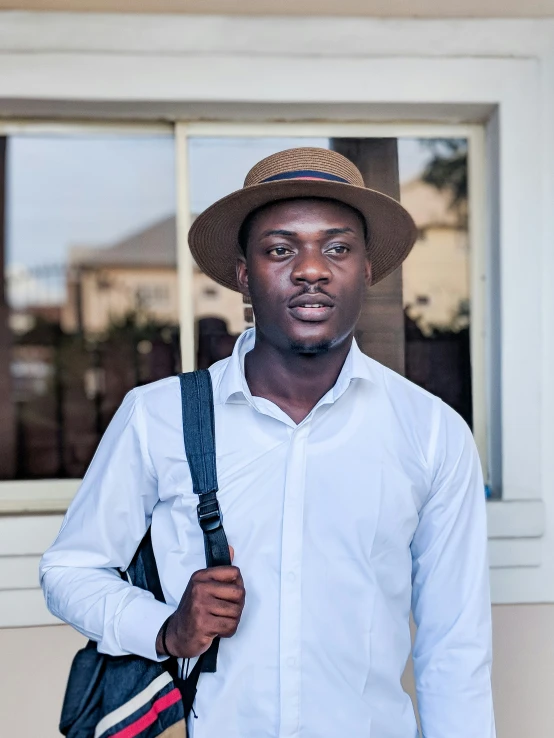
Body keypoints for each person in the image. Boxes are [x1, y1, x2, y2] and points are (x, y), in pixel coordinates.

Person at [40, 147, 495, 738]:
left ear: (367, 270)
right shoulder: (159, 417)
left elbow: (454, 648)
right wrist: (163, 628)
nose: (311, 269)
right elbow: (70, 569)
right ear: (243, 274)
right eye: (281, 249)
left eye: (337, 248)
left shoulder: (430, 432)